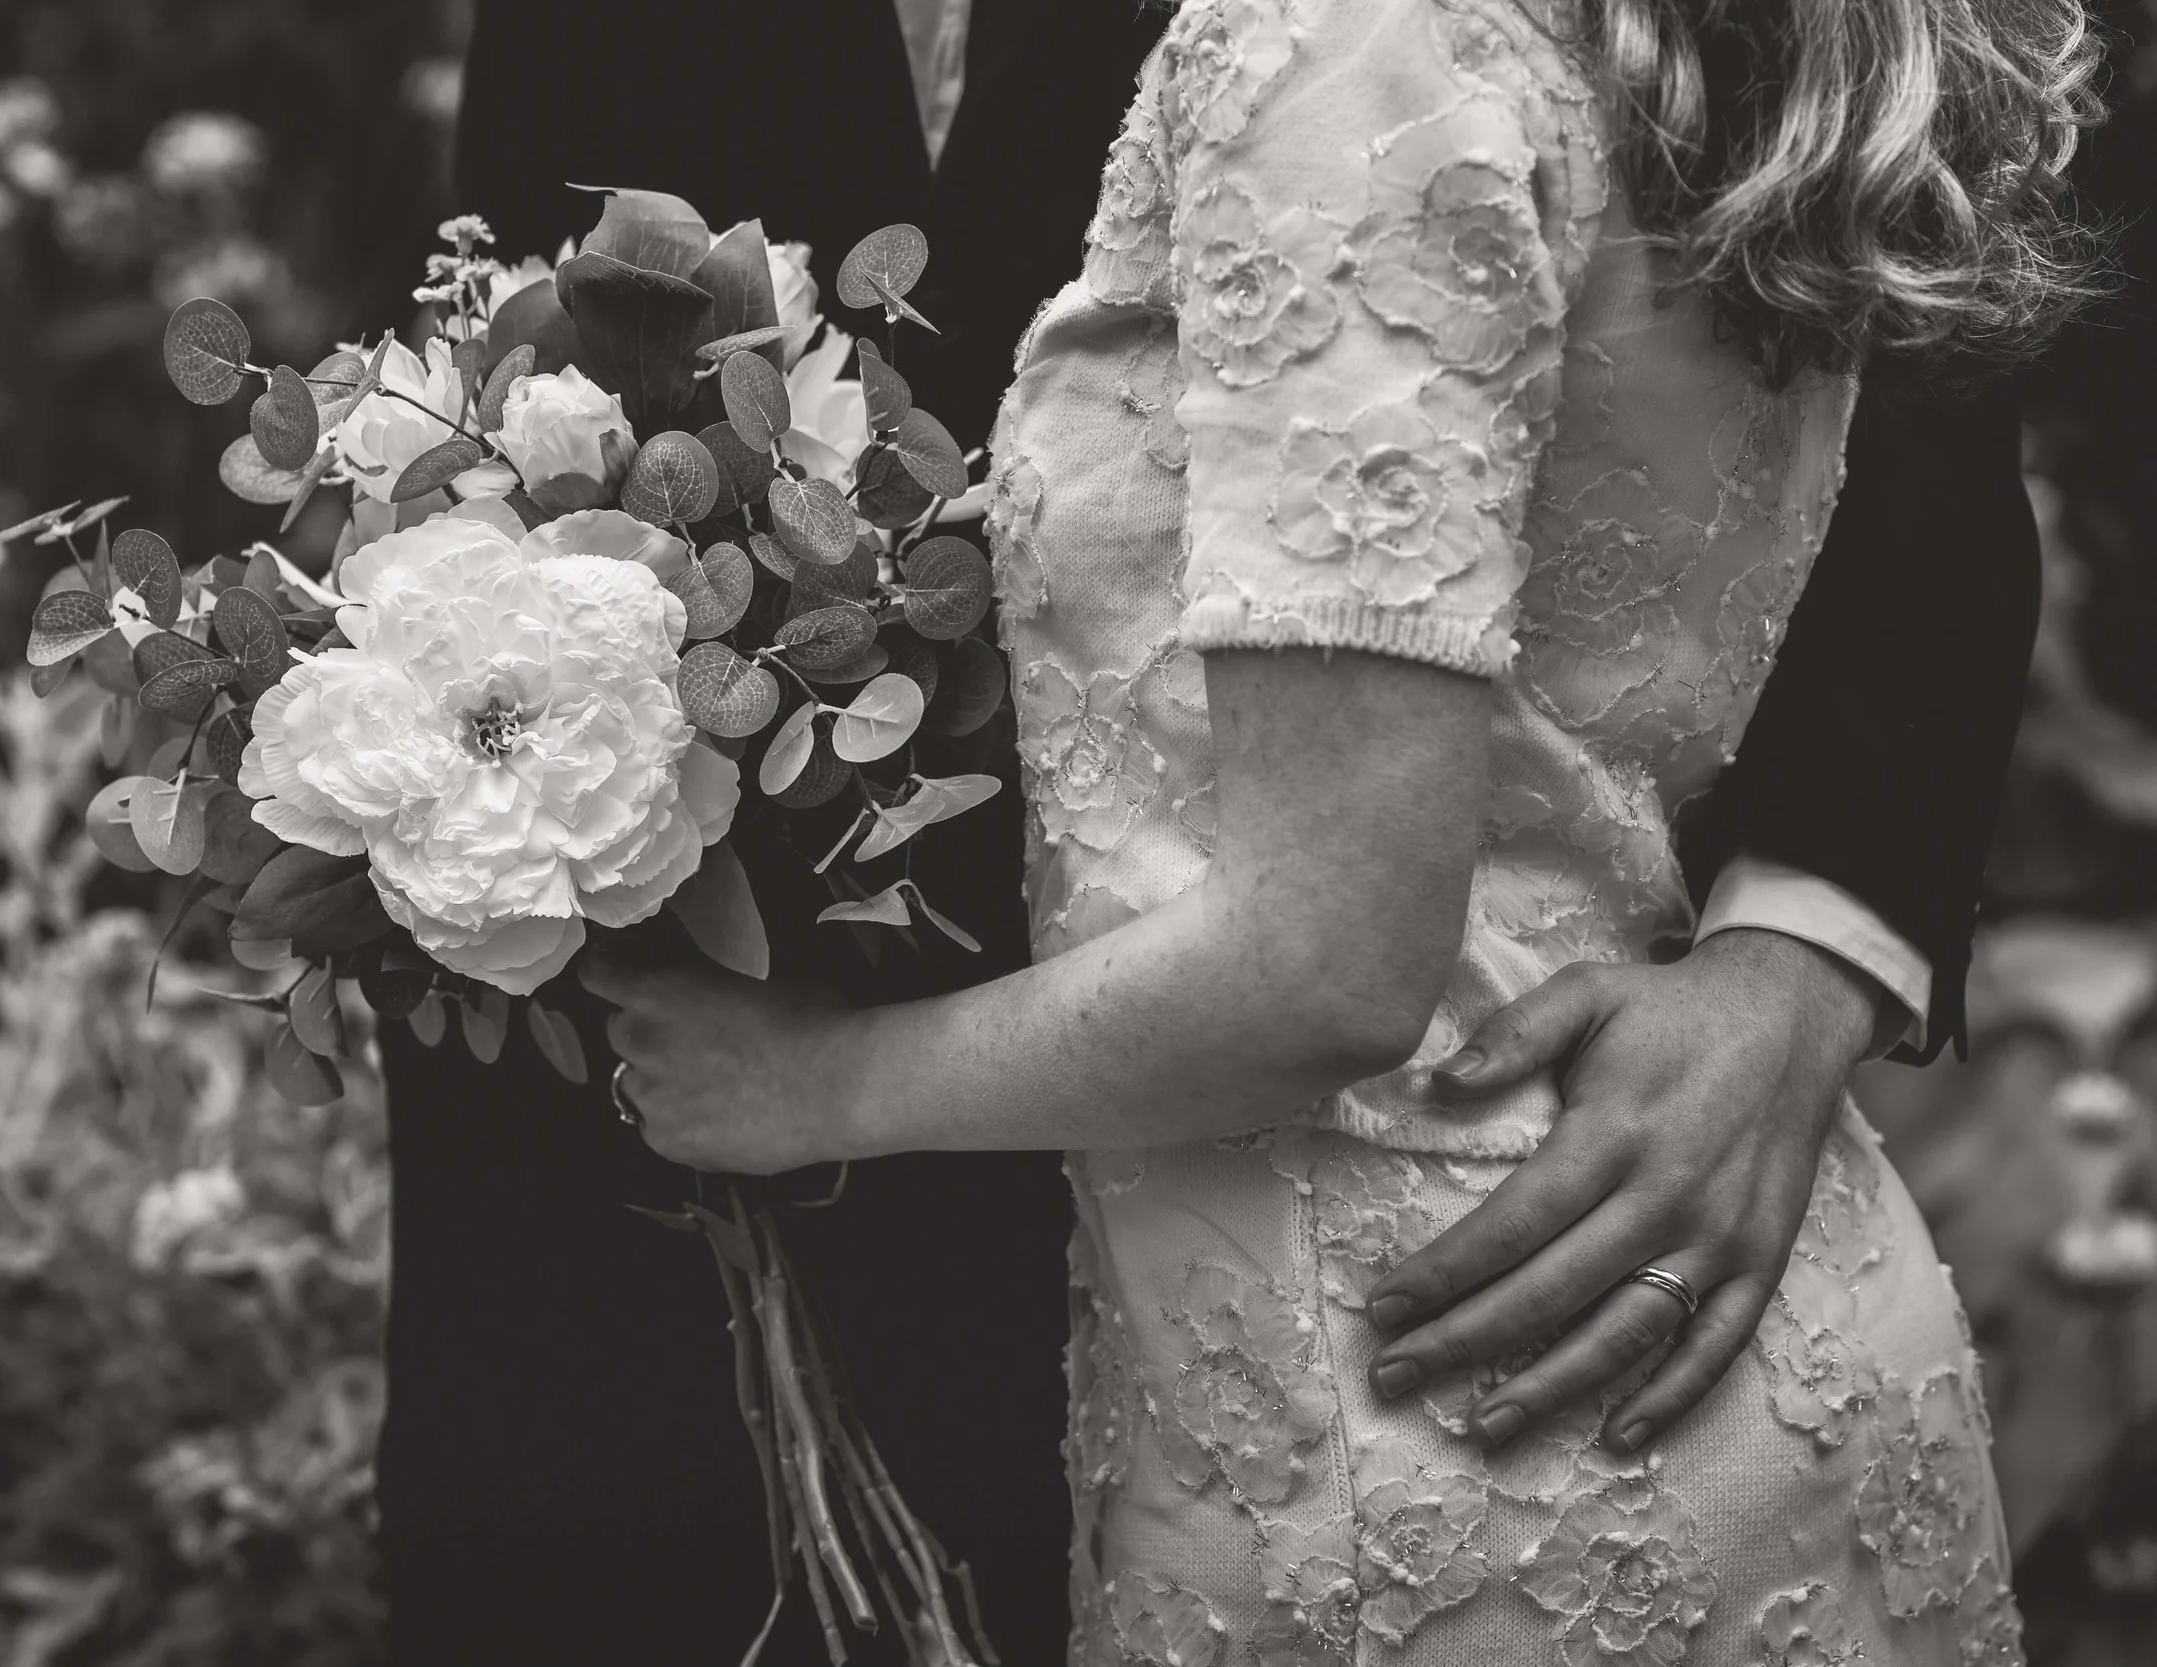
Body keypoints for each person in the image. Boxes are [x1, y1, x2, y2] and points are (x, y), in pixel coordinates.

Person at [381, 1, 2063, 1661]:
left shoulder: (1352, 44)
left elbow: (1901, 337)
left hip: (1446, 1305)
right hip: (808, 1247)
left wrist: (1808, 946)